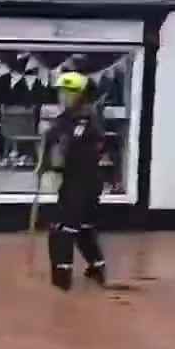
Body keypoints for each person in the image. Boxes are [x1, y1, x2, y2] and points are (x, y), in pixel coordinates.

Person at [41, 71, 108, 291]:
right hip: (77, 182)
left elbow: (71, 146)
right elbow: (53, 141)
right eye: (60, 91)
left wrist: (55, 157)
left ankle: (62, 279)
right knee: (82, 228)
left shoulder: (87, 118)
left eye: (68, 92)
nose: (62, 96)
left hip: (82, 183)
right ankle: (97, 267)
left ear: (79, 94)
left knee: (62, 229)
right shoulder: (67, 117)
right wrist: (44, 162)